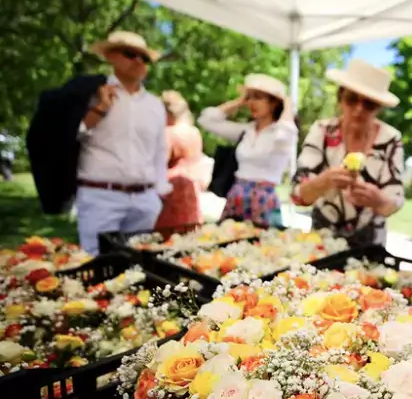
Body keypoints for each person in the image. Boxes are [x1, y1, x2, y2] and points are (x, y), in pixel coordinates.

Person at [72, 31, 171, 255]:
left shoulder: (155, 105)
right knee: (96, 264)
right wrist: (99, 110)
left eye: (144, 58)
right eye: (130, 54)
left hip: (145, 200)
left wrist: (158, 194)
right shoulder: (89, 93)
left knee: (137, 268)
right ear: (110, 56)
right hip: (101, 196)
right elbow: (68, 137)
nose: (138, 61)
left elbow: (159, 150)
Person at [292, 59, 405, 247]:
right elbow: (298, 196)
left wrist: (378, 200)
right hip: (321, 240)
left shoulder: (390, 139)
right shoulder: (322, 130)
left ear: (378, 108)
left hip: (368, 243)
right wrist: (325, 181)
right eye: (352, 99)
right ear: (340, 98)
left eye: (369, 104)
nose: (359, 109)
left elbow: (394, 201)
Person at [198, 74, 297, 227]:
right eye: (249, 97)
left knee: (263, 247)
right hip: (237, 196)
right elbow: (206, 120)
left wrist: (288, 105)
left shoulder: (280, 133)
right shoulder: (246, 131)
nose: (251, 102)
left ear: (274, 103)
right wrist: (238, 102)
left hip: (264, 199)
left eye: (258, 97)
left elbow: (286, 133)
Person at [155, 90, 206, 229]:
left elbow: (159, 165)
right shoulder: (194, 131)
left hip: (173, 189)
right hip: (193, 186)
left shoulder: (168, 134)